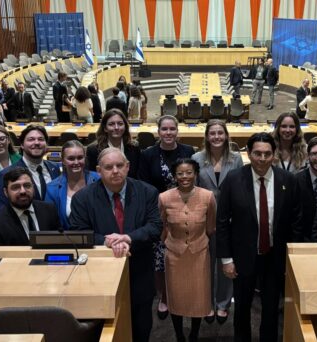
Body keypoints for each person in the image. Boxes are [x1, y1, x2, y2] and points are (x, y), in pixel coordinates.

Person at [69, 147, 162, 342]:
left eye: (120, 165)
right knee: (106, 331)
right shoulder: (82, 198)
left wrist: (128, 238)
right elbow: (79, 234)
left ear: (128, 167)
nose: (115, 171)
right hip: (99, 278)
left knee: (141, 328)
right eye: (108, 167)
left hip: (139, 274)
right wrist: (107, 241)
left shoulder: (148, 192)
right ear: (98, 170)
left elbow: (155, 228)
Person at [216, 132, 301, 342]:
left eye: (267, 154)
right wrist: (226, 259)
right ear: (248, 153)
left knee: (271, 308)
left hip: (274, 257)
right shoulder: (234, 179)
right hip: (243, 256)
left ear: (274, 154)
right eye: (257, 154)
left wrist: (292, 258)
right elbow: (222, 221)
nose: (262, 159)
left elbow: (295, 220)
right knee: (242, 308)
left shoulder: (287, 180)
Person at [139, 115, 195, 319]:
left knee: (184, 255)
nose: (169, 133)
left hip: (185, 210)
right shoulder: (148, 154)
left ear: (177, 131)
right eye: (165, 129)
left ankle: (184, 292)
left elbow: (193, 179)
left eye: (172, 129)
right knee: (160, 259)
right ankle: (163, 297)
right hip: (158, 212)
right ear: (158, 131)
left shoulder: (188, 151)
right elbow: (143, 184)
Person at [191, 119, 243, 324]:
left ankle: (223, 303)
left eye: (220, 133)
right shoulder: (196, 157)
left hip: (229, 220)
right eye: (212, 133)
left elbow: (240, 187)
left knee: (226, 263)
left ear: (226, 135)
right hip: (205, 219)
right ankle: (207, 303)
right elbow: (192, 189)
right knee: (205, 264)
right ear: (206, 136)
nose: (216, 137)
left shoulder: (237, 159)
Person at [159, 158, 217, 342]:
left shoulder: (208, 196)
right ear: (175, 176)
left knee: (198, 298)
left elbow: (211, 226)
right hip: (174, 254)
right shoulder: (164, 197)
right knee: (176, 297)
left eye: (189, 172)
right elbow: (162, 226)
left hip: (199, 253)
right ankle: (179, 335)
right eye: (180, 173)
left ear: (196, 174)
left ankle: (194, 334)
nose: (185, 177)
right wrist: (169, 243)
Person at [0, 167, 61, 246]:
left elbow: (58, 244)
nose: (23, 191)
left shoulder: (49, 210)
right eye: (16, 187)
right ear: (6, 192)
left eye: (27, 185)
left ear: (33, 188)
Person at [0, 125, 61, 210]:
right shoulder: (6, 174)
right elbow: (1, 209)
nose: (36, 143)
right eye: (31, 139)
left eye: (41, 139)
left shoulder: (55, 168)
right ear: (22, 145)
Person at [45, 140, 100, 230]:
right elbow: (50, 222)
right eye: (71, 158)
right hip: (67, 241)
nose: (76, 162)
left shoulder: (99, 180)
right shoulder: (52, 189)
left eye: (80, 157)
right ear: (63, 160)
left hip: (99, 239)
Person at [86, 109, 141, 178]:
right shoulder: (93, 150)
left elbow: (137, 175)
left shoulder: (134, 147)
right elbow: (93, 177)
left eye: (120, 124)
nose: (116, 127)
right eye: (111, 124)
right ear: (105, 128)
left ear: (125, 126)